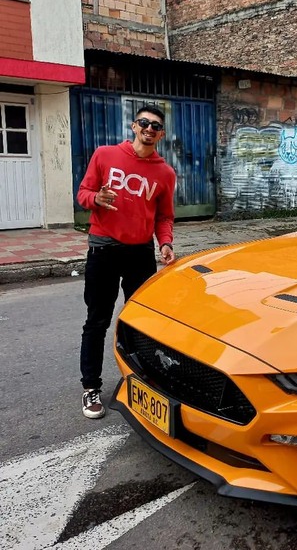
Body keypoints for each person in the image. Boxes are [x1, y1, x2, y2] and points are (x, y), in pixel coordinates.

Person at [76, 105, 177, 419]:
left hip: (140, 254)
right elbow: (83, 193)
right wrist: (96, 199)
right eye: (144, 122)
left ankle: (140, 380)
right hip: (103, 249)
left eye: (156, 126)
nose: (149, 128)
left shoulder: (165, 173)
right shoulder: (105, 155)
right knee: (98, 321)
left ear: (161, 135)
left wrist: (166, 243)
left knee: (139, 322)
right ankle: (91, 386)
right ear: (134, 126)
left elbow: (164, 217)